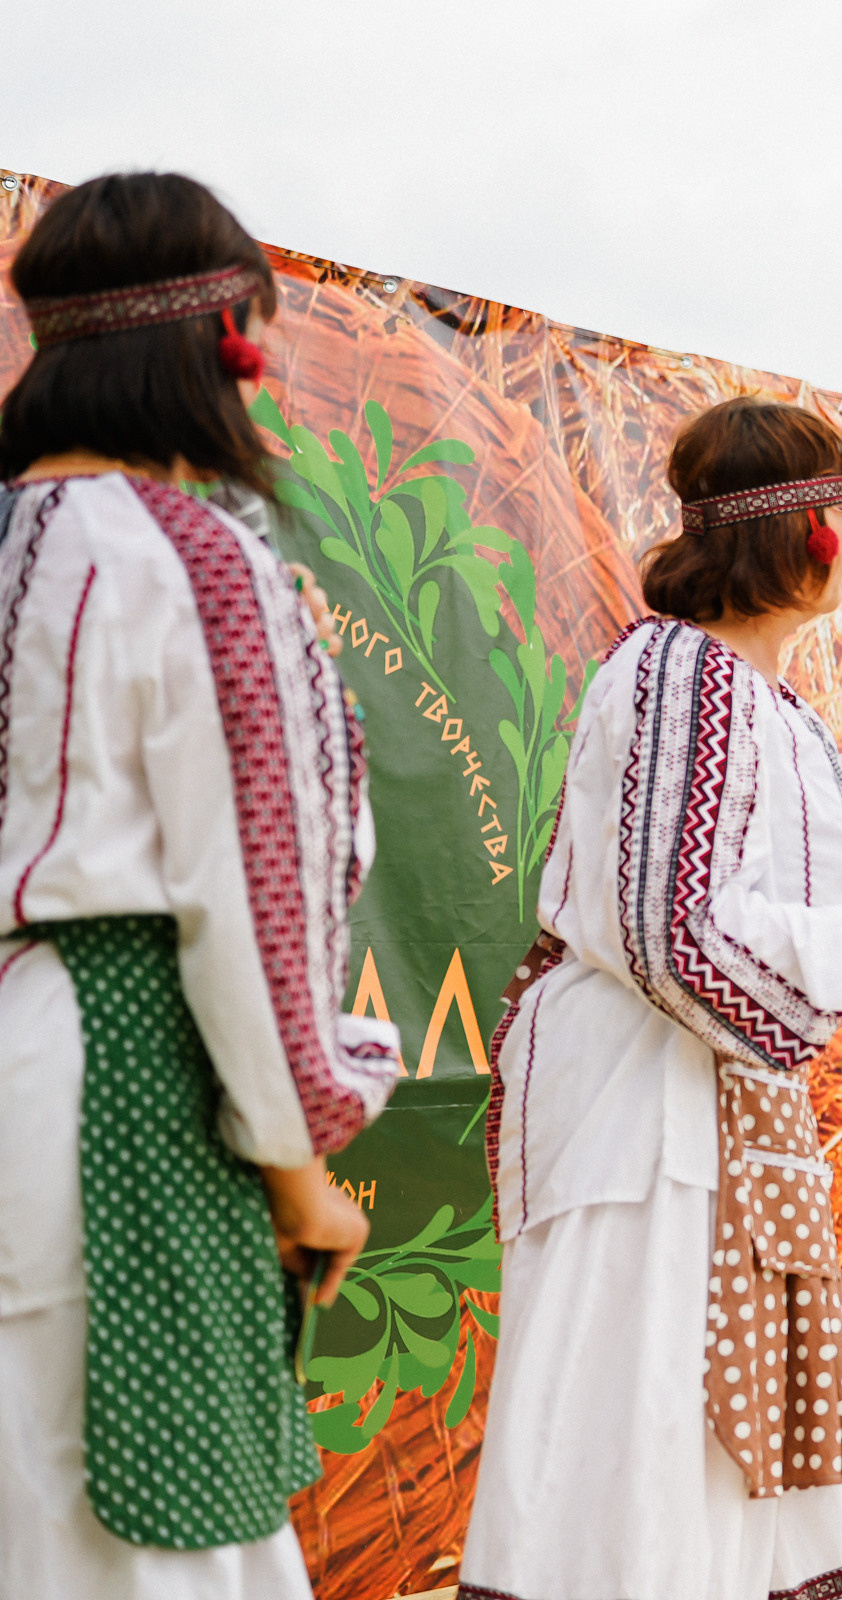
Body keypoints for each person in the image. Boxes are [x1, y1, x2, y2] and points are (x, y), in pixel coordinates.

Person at [458, 395, 842, 1600]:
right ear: (807, 534)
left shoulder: (759, 699)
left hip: (719, 1124)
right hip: (647, 1121)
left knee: (707, 1436)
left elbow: (779, 896)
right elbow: (681, 926)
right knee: (644, 1429)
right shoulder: (678, 672)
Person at [0, 172, 404, 1597]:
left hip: (24, 1062)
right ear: (219, 345)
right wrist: (303, 1171)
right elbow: (246, 898)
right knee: (150, 1552)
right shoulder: (192, 562)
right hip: (123, 1093)